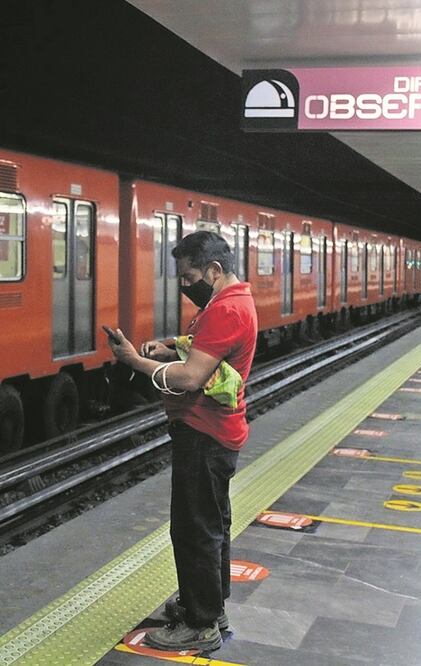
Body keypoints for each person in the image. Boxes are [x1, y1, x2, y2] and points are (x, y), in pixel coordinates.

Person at [107, 230, 257, 653]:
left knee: (194, 529)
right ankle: (210, 605)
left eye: (190, 277)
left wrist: (135, 361)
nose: (185, 285)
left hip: (205, 434)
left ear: (213, 270)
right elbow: (204, 353)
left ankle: (201, 623)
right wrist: (172, 344)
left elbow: (192, 376)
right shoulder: (231, 301)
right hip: (214, 432)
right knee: (212, 525)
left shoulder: (226, 310)